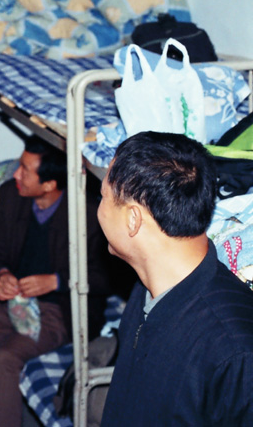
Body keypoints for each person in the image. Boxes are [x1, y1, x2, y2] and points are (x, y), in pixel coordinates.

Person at [0, 135, 113, 427]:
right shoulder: (11, 195)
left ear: (49, 184)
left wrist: (57, 281)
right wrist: (2, 274)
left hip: (58, 310)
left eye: (25, 170)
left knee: (6, 358)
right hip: (12, 301)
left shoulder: (86, 213)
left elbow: (106, 278)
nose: (16, 175)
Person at [99, 131, 253, 426]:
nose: (100, 209)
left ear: (133, 220)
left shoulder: (235, 349)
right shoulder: (146, 289)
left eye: (103, 196)